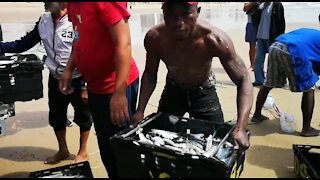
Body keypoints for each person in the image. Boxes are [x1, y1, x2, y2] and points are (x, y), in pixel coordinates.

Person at [132, 2, 252, 151]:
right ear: (163, 13)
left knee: (218, 143)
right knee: (160, 140)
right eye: (172, 15)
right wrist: (140, 111)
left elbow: (243, 79)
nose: (179, 22)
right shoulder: (155, 38)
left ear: (198, 12)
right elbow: (150, 74)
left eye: (186, 13)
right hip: (173, 91)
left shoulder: (215, 39)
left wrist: (241, 127)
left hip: (204, 92)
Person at [0, 2, 93, 164]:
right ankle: (63, 150)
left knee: (84, 116)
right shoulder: (43, 20)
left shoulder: (76, 20)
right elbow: (23, 44)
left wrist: (85, 85)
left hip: (78, 78)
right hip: (55, 77)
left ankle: (83, 151)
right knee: (56, 116)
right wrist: (1, 47)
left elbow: (87, 52)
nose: (44, 1)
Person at [59, 2, 139, 178]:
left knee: (121, 147)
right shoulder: (73, 4)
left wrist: (119, 93)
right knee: (105, 145)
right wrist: (69, 69)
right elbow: (78, 37)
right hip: (95, 87)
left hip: (116, 86)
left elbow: (123, 44)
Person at [251, 28, 320, 137]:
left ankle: (257, 115)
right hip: (295, 50)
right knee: (309, 88)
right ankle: (306, 129)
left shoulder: (313, 33)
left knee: (269, 83)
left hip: (276, 45)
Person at [252, 2, 285, 86]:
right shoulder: (261, 6)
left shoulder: (277, 5)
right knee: (258, 60)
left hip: (272, 37)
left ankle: (273, 81)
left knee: (273, 61)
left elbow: (281, 23)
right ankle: (259, 80)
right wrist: (257, 7)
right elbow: (254, 19)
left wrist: (280, 38)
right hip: (260, 37)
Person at [243, 2, 259, 72]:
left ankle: (259, 66)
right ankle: (252, 65)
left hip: (263, 23)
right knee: (252, 46)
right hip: (251, 23)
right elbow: (245, 8)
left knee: (262, 47)